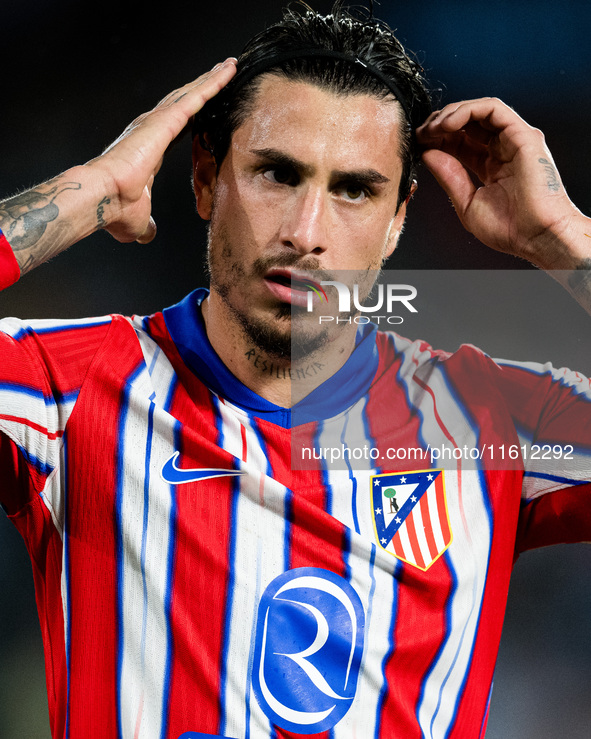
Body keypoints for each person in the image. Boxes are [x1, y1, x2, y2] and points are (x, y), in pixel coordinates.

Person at [0, 2, 590, 738]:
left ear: (398, 216)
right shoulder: (66, 386)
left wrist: (564, 239)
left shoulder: (487, 419)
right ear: (207, 179)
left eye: (354, 189)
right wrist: (89, 190)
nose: (306, 234)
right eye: (276, 174)